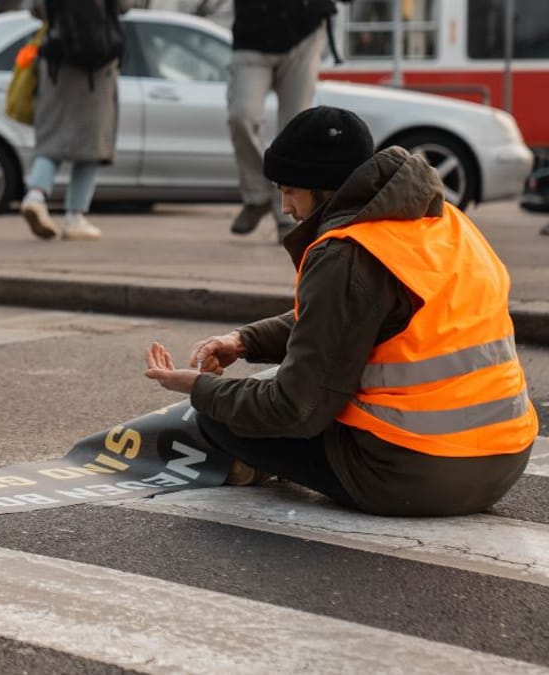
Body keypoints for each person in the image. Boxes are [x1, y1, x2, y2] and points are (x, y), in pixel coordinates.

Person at [142, 106, 537, 517]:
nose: (286, 208)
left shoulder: (346, 252)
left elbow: (296, 409)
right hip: (505, 461)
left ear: (323, 189)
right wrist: (245, 340)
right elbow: (355, 318)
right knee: (280, 382)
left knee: (219, 418)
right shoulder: (446, 222)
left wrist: (197, 389)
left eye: (289, 191)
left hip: (415, 475)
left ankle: (247, 465)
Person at [227, 0, 347, 240]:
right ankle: (258, 195)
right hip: (251, 35)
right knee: (242, 116)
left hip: (304, 31)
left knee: (296, 128)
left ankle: (289, 215)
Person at [19, 0, 131, 242]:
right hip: (98, 69)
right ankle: (75, 217)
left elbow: (36, 8)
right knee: (92, 145)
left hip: (58, 64)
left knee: (52, 139)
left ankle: (35, 196)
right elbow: (124, 5)